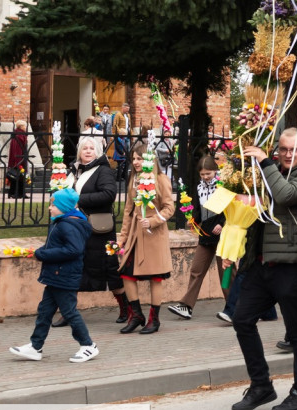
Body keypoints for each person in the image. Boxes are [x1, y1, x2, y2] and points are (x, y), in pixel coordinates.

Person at [228, 129, 297, 410]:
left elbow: (284, 195)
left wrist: (265, 164)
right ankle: (261, 386)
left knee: (296, 333)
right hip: (263, 264)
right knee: (242, 319)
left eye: (294, 150)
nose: (287, 155)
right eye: (282, 149)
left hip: (294, 265)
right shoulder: (267, 172)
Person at [9, 188, 99, 364]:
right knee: (44, 312)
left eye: (54, 205)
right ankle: (36, 347)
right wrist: (37, 252)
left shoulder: (68, 225)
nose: (50, 208)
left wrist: (43, 255)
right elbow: (55, 246)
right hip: (56, 275)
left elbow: (73, 250)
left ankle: (88, 345)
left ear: (64, 207)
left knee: (69, 312)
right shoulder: (62, 222)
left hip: (64, 275)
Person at [117, 142, 175, 334]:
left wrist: (153, 221)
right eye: (133, 159)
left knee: (155, 278)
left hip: (153, 236)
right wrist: (122, 237)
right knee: (126, 273)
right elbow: (128, 210)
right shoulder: (134, 180)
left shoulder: (161, 179)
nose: (135, 162)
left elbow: (169, 208)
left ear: (150, 160)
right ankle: (136, 314)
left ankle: (154, 319)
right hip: (135, 234)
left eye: (139, 158)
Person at [70, 136, 126, 323]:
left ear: (97, 152)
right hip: (78, 229)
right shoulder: (75, 171)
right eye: (84, 148)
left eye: (91, 149)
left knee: (111, 268)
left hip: (101, 231)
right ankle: (69, 312)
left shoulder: (103, 170)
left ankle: (125, 308)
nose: (87, 151)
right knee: (74, 268)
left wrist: (79, 200)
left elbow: (109, 194)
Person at [167, 156, 226, 320]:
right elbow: (200, 210)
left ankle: (234, 306)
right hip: (205, 234)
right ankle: (186, 306)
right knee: (196, 270)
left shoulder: (223, 186)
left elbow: (229, 209)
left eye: (208, 173)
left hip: (222, 234)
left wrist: (223, 223)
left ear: (215, 171)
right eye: (203, 174)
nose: (206, 177)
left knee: (226, 273)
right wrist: (193, 219)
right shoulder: (200, 187)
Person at [7, 120, 29, 199]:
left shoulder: (19, 134)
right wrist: (19, 161)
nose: (26, 127)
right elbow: (17, 149)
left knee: (20, 176)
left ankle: (19, 193)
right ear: (21, 126)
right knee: (17, 176)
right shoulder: (19, 135)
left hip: (20, 158)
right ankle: (16, 193)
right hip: (19, 159)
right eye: (24, 126)